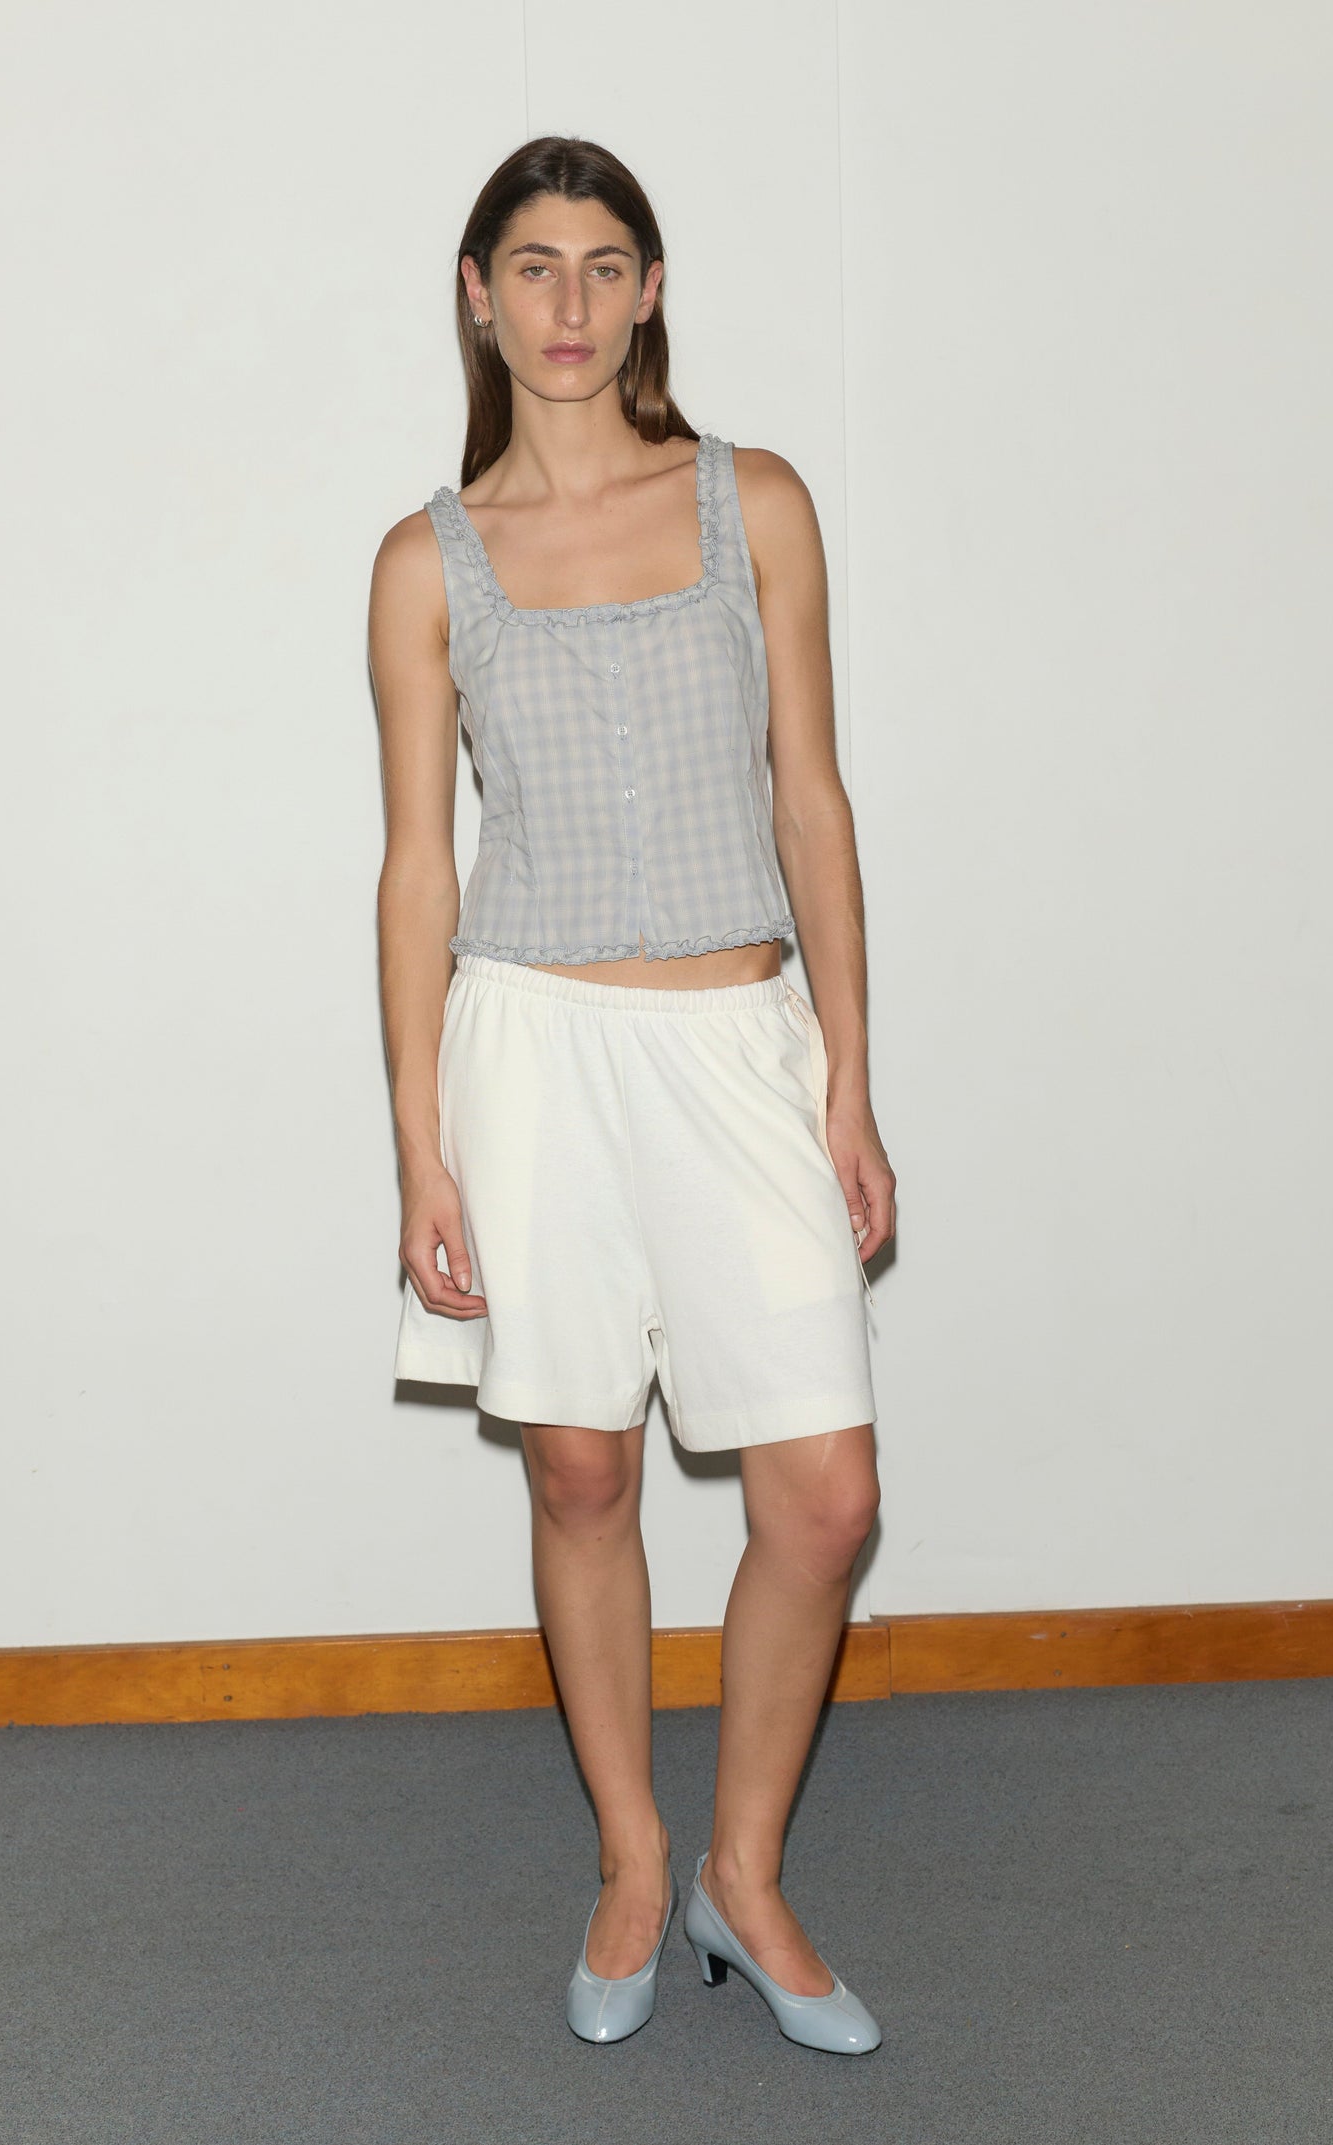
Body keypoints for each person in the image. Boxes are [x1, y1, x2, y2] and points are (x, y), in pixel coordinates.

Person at [368, 136, 896, 2056]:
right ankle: (624, 1851)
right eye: (535, 265)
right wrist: (418, 1134)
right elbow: (419, 866)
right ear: (476, 290)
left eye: (606, 265)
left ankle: (742, 1877)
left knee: (821, 1495)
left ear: (650, 289)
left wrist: (845, 1081)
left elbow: (810, 800)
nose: (571, 304)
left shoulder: (751, 504)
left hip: (737, 1040)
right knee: (581, 1468)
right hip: (529, 1052)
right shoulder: (429, 559)